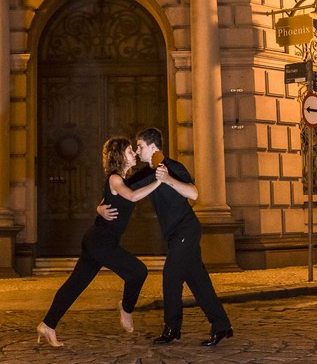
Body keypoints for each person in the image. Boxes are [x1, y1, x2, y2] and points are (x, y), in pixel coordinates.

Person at [98, 127, 233, 346]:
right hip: (174, 234)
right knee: (199, 281)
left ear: (152, 147)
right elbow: (120, 192)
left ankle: (172, 328)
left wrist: (168, 179)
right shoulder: (146, 173)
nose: (137, 150)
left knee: (170, 276)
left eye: (140, 146)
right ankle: (222, 325)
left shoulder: (172, 166)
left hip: (186, 230)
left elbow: (194, 193)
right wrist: (99, 208)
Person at [36, 136, 165, 347]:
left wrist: (98, 208)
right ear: (119, 156)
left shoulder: (122, 180)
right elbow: (132, 197)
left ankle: (47, 325)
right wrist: (160, 181)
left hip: (98, 240)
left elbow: (131, 185)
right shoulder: (115, 179)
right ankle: (126, 308)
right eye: (129, 150)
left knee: (74, 285)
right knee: (138, 271)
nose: (133, 153)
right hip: (100, 242)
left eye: (134, 149)